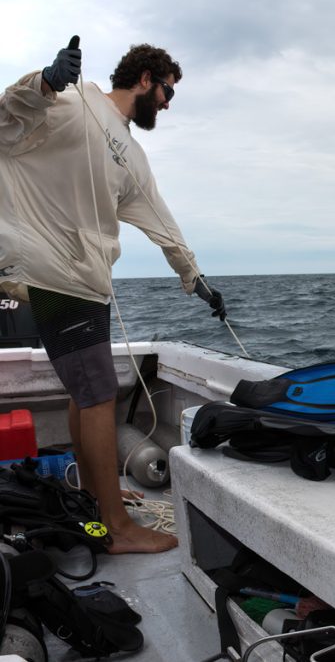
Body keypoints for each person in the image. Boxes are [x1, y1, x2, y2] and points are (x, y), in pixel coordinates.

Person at [0, 38, 227, 554]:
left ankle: (91, 502)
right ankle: (115, 525)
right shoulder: (74, 100)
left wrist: (195, 279)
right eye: (168, 90)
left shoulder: (132, 155)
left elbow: (160, 220)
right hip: (49, 271)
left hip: (87, 279)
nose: (169, 103)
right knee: (99, 390)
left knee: (89, 392)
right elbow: (8, 115)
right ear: (146, 78)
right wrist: (46, 81)